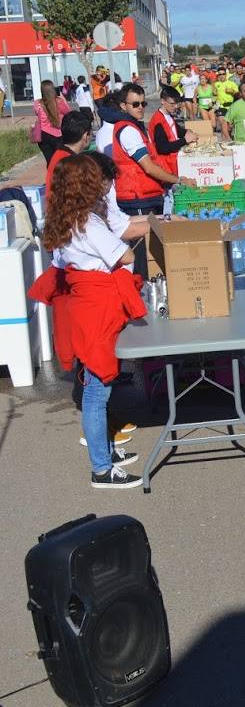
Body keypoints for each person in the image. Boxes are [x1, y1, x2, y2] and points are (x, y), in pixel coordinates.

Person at [32, 153, 149, 488]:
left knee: (94, 384)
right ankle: (101, 467)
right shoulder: (89, 223)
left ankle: (107, 452)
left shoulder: (64, 218)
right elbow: (124, 255)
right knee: (98, 389)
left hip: (83, 306)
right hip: (97, 308)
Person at [98, 84, 193, 279]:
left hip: (146, 193)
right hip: (137, 197)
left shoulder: (134, 127)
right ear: (123, 106)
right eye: (135, 104)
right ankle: (143, 293)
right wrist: (177, 180)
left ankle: (153, 285)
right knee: (142, 254)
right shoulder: (128, 131)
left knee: (154, 249)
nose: (140, 107)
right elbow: (148, 167)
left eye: (143, 103)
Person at [149, 86, 200, 178]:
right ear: (162, 101)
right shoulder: (158, 121)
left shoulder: (168, 115)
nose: (176, 106)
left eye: (177, 103)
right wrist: (185, 140)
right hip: (166, 167)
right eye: (172, 104)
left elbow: (177, 131)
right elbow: (162, 148)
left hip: (174, 163)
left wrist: (187, 132)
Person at [34, 79, 72, 163]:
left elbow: (37, 113)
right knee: (62, 160)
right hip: (58, 134)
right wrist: (63, 98)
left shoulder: (37, 103)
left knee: (50, 161)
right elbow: (68, 112)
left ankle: (51, 175)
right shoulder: (59, 101)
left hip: (43, 135)